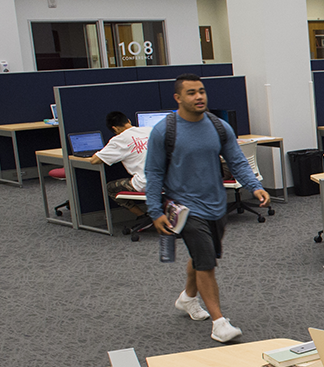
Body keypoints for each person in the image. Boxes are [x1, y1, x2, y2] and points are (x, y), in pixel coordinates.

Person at [145, 74, 270, 343]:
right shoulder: (164, 131)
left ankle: (188, 298)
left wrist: (254, 185)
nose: (199, 97)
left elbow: (236, 160)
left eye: (201, 91)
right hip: (185, 208)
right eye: (191, 93)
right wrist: (154, 211)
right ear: (178, 98)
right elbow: (153, 173)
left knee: (204, 255)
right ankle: (219, 323)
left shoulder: (218, 126)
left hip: (216, 203)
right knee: (206, 263)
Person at [89, 111, 151, 219]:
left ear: (115, 129)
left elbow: (95, 160)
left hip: (146, 183)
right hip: (169, 181)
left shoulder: (119, 140)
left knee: (110, 188)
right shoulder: (150, 130)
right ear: (128, 121)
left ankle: (142, 216)